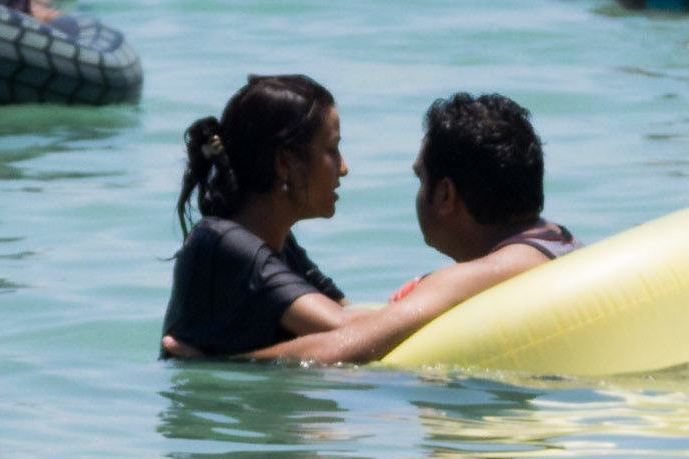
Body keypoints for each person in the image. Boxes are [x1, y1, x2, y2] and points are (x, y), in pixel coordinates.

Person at [163, 93, 576, 367]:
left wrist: (216, 365)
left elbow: (345, 346)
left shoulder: (482, 274)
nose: (343, 167)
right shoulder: (556, 241)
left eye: (419, 178)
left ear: (445, 195)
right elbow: (351, 319)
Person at [160, 74, 361, 357]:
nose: (343, 168)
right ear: (284, 162)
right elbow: (344, 329)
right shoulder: (222, 243)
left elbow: (346, 313)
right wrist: (445, 288)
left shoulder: (276, 242)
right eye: (331, 149)